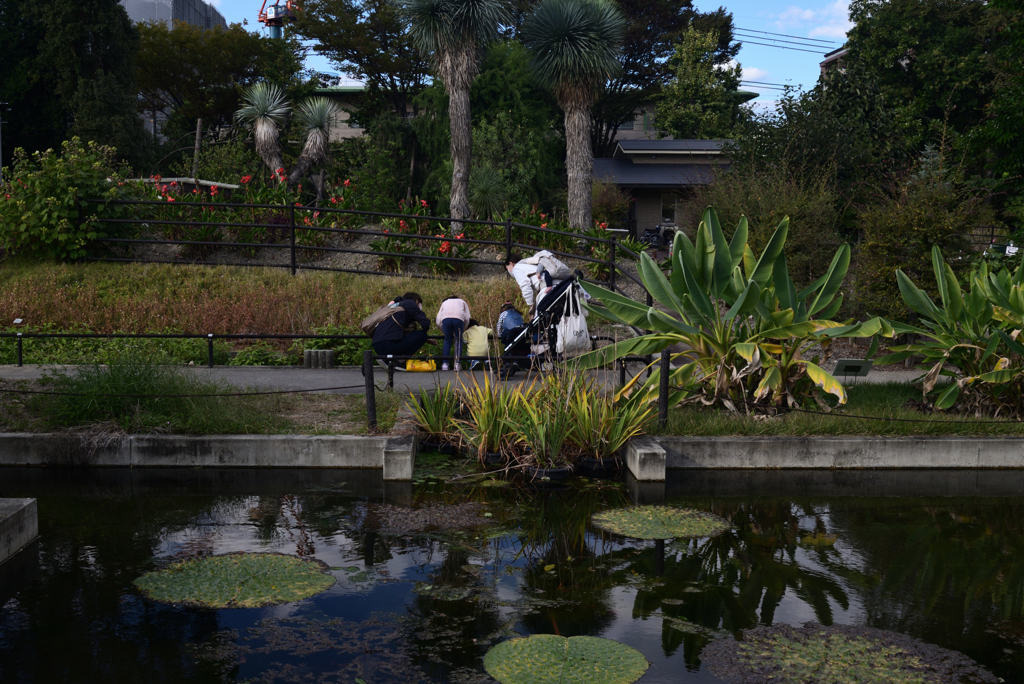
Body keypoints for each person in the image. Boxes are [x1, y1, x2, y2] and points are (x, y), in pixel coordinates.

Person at [505, 250, 572, 316]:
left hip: (546, 290)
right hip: (561, 286)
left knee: (541, 321)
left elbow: (525, 285)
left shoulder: (517, 268)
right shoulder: (531, 264)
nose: (509, 271)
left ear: (511, 264)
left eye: (507, 268)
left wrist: (531, 306)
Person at [371, 291, 430, 363]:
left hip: (377, 345)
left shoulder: (394, 308)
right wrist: (425, 336)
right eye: (420, 304)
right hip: (389, 344)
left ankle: (389, 361)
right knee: (422, 335)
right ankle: (400, 361)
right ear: (417, 301)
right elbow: (425, 323)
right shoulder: (410, 303)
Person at [436, 294, 471, 371]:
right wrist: (464, 327)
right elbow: (467, 317)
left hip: (446, 319)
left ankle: (445, 364)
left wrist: (443, 330)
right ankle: (457, 364)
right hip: (459, 319)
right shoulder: (462, 301)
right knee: (458, 341)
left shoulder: (444, 302)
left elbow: (438, 319)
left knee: (447, 340)